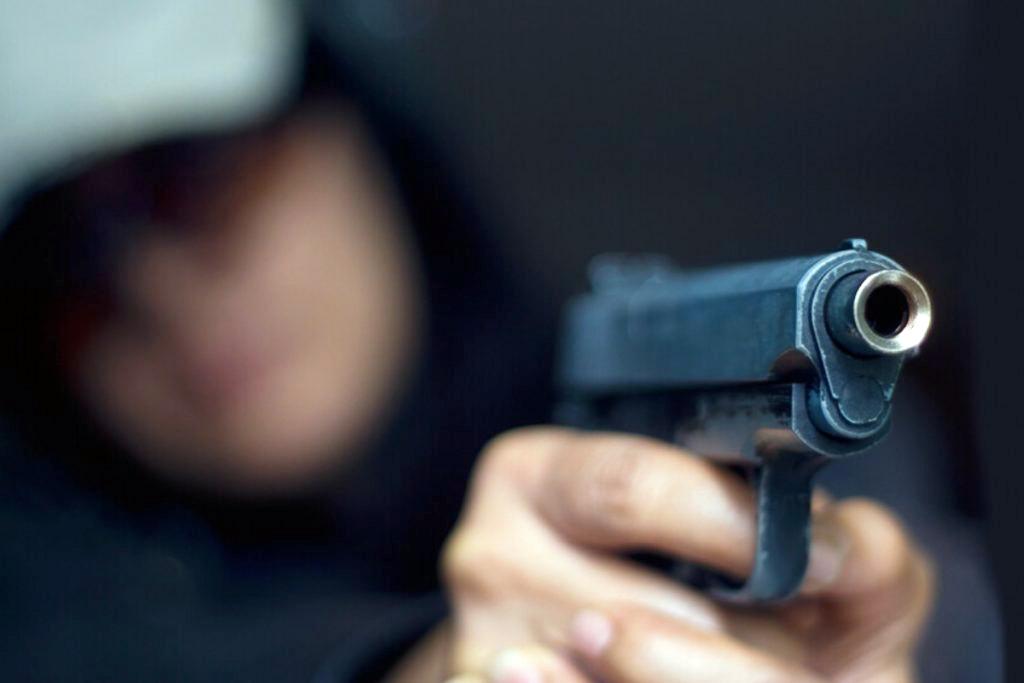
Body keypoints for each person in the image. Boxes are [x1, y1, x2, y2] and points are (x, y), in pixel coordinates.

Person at [0, 2, 997, 681]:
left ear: (362, 123)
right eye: (61, 255)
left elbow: (937, 597)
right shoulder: (62, 609)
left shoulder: (784, 416)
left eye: (192, 176)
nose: (155, 288)